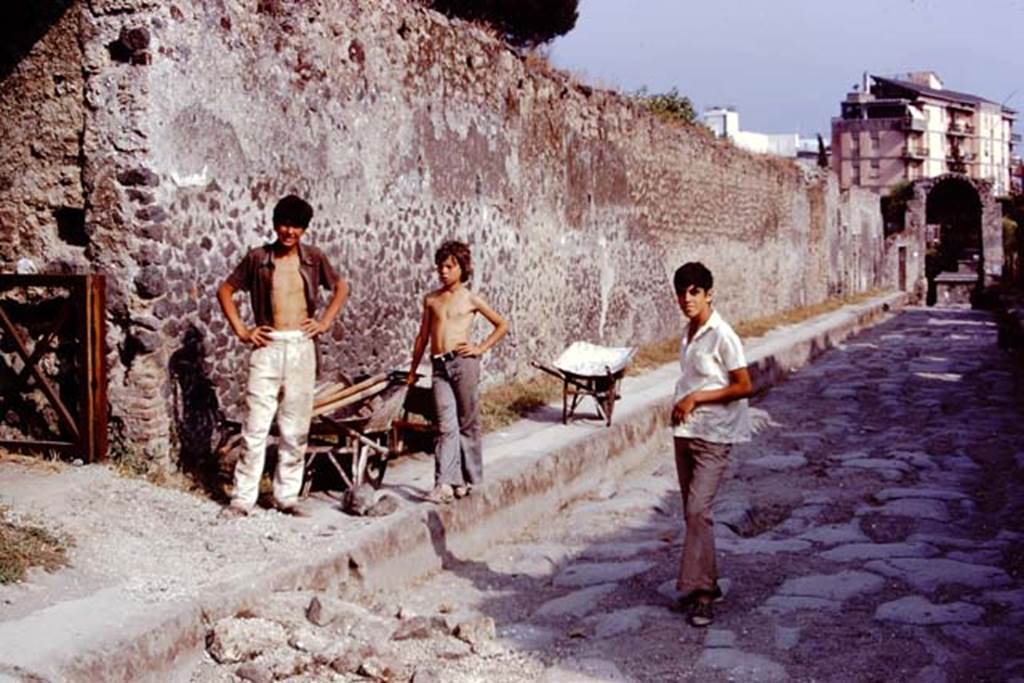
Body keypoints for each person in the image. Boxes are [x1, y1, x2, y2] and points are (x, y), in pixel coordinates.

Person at [217, 194, 349, 516]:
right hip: (268, 345)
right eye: (285, 224)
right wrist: (243, 331)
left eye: (297, 226)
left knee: (295, 425)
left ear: (304, 229)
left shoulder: (313, 259)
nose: (290, 231)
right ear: (275, 224)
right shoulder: (258, 258)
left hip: (302, 346)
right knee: (256, 426)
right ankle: (242, 499)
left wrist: (324, 322)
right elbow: (225, 290)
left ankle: (286, 496)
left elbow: (341, 287)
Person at [670, 261, 753, 627]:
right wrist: (682, 405)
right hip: (687, 432)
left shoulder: (723, 335)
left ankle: (702, 594)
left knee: (697, 511)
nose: (687, 299)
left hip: (715, 434)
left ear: (709, 294)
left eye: (694, 292)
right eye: (682, 292)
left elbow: (744, 385)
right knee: (694, 512)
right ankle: (706, 582)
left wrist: (696, 399)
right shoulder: (688, 332)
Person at [405, 240, 508, 503]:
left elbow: (501, 324)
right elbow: (422, 336)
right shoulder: (431, 299)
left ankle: (471, 480)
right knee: (445, 425)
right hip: (439, 366)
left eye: (450, 266)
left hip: (464, 364)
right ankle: (444, 483)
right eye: (440, 266)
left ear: (462, 268)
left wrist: (479, 348)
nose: (444, 271)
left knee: (467, 422)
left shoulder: (470, 298)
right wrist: (413, 369)